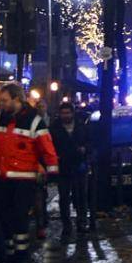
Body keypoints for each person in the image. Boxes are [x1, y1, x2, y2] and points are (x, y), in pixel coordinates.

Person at [0, 82, 59, 263]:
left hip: (24, 178)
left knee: (19, 217)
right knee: (4, 216)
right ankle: (9, 254)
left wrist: (52, 172)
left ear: (17, 99)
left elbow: (47, 148)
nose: (1, 104)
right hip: (2, 177)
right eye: (0, 101)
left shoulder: (34, 120)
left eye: (4, 100)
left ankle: (21, 255)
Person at [49, 101, 90, 239]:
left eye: (68, 112)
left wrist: (85, 150)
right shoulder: (54, 128)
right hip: (64, 166)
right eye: (63, 113)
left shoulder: (81, 126)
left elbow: (89, 142)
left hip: (79, 165)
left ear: (72, 113)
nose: (65, 115)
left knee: (81, 196)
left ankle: (81, 222)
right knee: (64, 197)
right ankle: (67, 225)